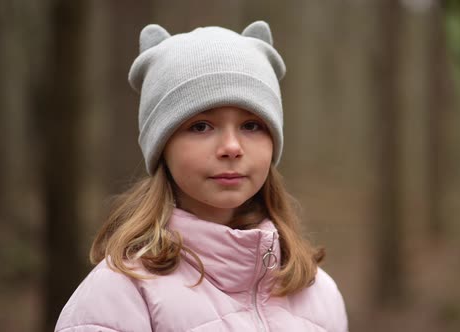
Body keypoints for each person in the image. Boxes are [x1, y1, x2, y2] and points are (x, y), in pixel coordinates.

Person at [54, 20, 348, 332]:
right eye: (200, 126)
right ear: (162, 146)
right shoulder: (119, 297)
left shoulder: (319, 295)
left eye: (251, 125)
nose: (232, 147)